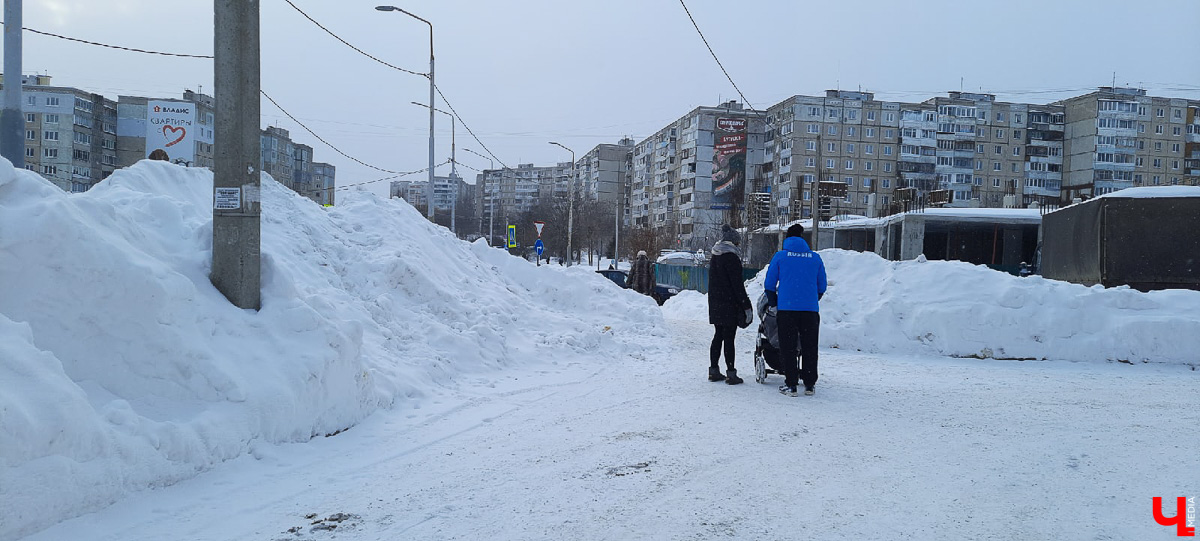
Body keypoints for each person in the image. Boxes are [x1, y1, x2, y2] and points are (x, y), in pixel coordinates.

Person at [763, 223, 827, 397]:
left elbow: (769, 284)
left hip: (787, 310)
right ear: (802, 238)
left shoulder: (780, 257)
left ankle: (791, 384)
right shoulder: (815, 258)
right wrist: (812, 300)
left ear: (787, 239)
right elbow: (822, 286)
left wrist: (774, 302)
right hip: (810, 311)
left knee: (788, 347)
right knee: (809, 347)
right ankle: (809, 384)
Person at [707, 224, 752, 385]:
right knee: (729, 339)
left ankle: (713, 370)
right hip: (729, 303)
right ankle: (731, 374)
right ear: (733, 242)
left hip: (715, 302)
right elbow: (737, 285)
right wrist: (746, 305)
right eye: (738, 243)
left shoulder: (715, 256)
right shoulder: (731, 257)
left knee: (718, 336)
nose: (739, 245)